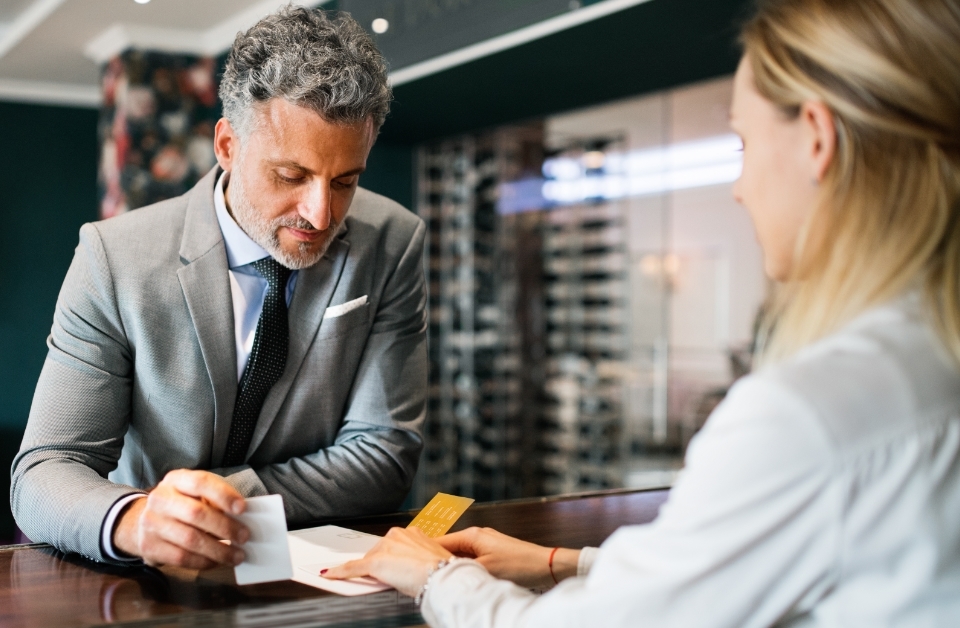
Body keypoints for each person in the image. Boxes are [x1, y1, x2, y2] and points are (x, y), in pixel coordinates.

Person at [325, 0, 960, 624]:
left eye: (742, 143)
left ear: (817, 139)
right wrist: (559, 562)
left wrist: (435, 576)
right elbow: (749, 566)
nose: (739, 187)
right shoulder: (929, 361)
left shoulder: (808, 415)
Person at [11, 6, 427, 569]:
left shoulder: (393, 242)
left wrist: (219, 503)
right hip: (147, 572)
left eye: (346, 180)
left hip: (319, 572)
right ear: (228, 146)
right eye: (291, 176)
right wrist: (136, 519)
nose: (321, 213)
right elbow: (45, 470)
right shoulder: (113, 258)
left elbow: (385, 455)